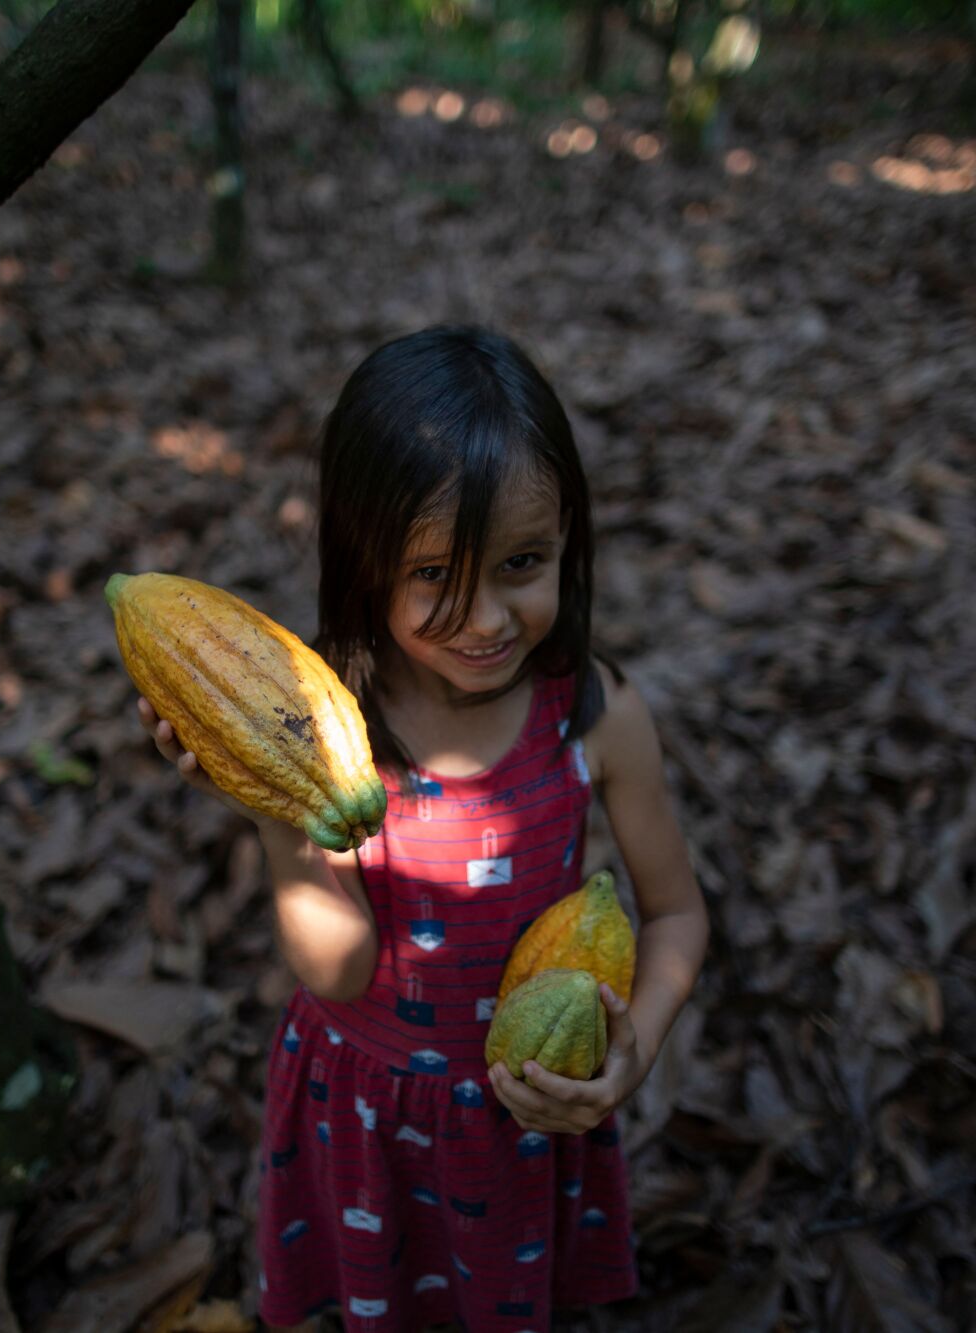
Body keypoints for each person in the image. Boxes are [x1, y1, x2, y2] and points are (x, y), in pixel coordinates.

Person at [136, 325, 706, 1332]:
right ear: (364, 559)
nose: (484, 616)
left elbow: (671, 913)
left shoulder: (598, 717)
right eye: (433, 574)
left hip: (523, 1115)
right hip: (373, 1119)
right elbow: (338, 970)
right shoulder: (328, 731)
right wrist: (276, 811)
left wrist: (636, 1047)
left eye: (521, 562)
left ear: (569, 538)